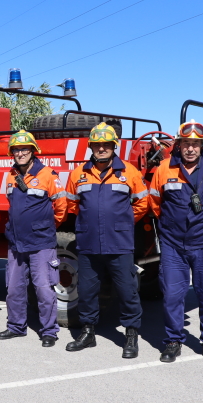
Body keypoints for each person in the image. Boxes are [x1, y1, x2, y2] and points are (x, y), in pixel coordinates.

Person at [148, 120, 203, 364]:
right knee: (173, 295)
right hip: (174, 244)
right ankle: (173, 341)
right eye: (186, 143)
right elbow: (155, 203)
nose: (190, 149)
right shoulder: (164, 169)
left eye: (195, 144)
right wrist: (170, 225)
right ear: (179, 145)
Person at [64, 122, 149, 358]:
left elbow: (142, 203)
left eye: (106, 145)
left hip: (119, 243)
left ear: (114, 146)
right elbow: (72, 204)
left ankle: (131, 335)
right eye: (97, 145)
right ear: (91, 146)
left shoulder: (129, 172)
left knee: (127, 290)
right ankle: (88, 332)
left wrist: (122, 221)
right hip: (89, 242)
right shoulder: (78, 174)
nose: (101, 148)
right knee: (87, 291)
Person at [0, 130, 67, 347]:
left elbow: (61, 207)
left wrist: (44, 227)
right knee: (14, 288)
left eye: (24, 149)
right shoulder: (10, 175)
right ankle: (16, 327)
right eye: (17, 149)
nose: (20, 153)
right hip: (16, 243)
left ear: (33, 151)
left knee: (44, 288)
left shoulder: (48, 174)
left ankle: (49, 331)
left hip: (41, 243)